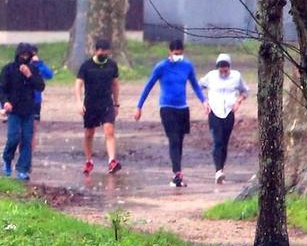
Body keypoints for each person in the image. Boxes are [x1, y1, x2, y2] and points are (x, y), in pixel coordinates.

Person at [134, 38, 208, 187]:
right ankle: (177, 173)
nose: (177, 55)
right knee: (173, 139)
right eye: (175, 53)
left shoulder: (187, 65)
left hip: (182, 108)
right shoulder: (161, 67)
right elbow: (148, 85)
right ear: (169, 52)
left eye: (180, 53)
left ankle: (177, 174)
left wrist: (204, 101)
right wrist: (139, 106)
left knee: (179, 141)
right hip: (167, 108)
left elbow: (195, 85)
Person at [0, 42, 44, 181]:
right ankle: (7, 157)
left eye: (27, 55)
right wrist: (5, 102)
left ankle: (23, 169)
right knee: (13, 137)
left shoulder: (33, 70)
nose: (24, 57)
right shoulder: (9, 69)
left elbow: (40, 86)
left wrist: (29, 75)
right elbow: (1, 88)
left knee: (27, 139)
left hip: (28, 109)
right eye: (22, 55)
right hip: (14, 110)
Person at [75, 38, 122, 175]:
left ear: (108, 51)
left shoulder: (112, 65)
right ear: (95, 50)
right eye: (99, 50)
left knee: (109, 131)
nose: (102, 53)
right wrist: (79, 102)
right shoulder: (86, 66)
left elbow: (115, 84)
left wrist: (116, 103)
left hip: (106, 103)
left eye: (104, 50)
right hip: (90, 103)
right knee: (89, 133)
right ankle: (89, 161)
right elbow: (78, 84)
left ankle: (112, 161)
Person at [204, 52, 249, 183]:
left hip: (229, 112)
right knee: (217, 141)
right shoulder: (211, 76)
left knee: (224, 143)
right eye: (220, 67)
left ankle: (221, 169)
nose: (223, 70)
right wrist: (205, 101)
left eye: (225, 67)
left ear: (229, 67)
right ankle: (218, 171)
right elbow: (198, 86)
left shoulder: (236, 76)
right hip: (214, 112)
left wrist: (238, 101)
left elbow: (245, 90)